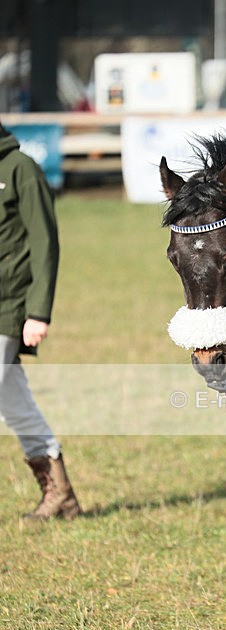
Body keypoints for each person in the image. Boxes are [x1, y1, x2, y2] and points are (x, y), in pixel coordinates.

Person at [0, 122, 81, 522]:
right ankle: (60, 496)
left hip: (8, 306)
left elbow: (45, 243)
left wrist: (37, 312)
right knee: (13, 404)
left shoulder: (21, 168)